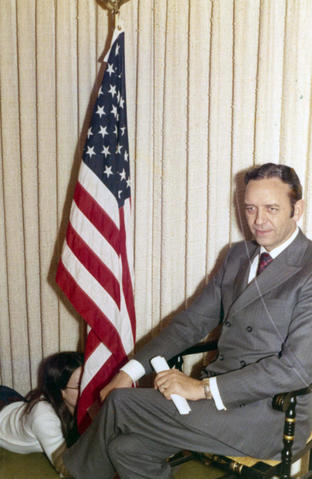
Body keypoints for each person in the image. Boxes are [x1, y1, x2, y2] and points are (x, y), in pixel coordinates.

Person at [63, 163, 312, 479]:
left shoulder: (308, 269)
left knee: (120, 403)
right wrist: (130, 370)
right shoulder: (237, 255)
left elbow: (296, 368)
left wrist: (202, 388)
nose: (258, 220)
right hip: (219, 403)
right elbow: (190, 322)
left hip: (269, 413)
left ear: (297, 209)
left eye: (271, 209)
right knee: (126, 449)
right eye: (250, 208)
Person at [0, 351, 83, 478]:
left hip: (14, 400)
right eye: (79, 385)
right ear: (61, 391)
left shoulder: (82, 401)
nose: (87, 388)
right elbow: (66, 468)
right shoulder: (44, 418)